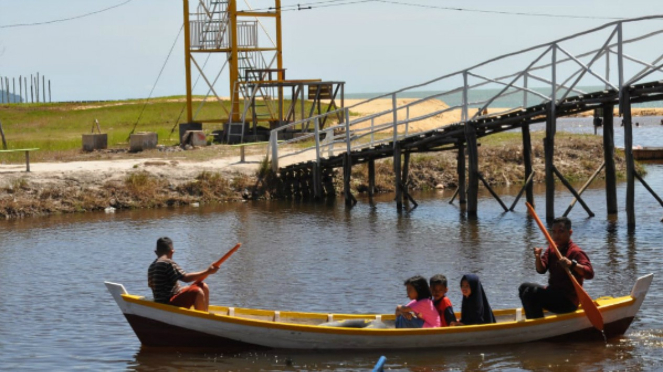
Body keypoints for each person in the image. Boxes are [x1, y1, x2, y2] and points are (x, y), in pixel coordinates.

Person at [518, 216, 594, 319]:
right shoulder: (552, 249)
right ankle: (533, 319)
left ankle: (537, 324)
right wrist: (537, 258)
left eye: (561, 231)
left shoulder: (575, 252)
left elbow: (589, 273)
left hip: (567, 302)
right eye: (554, 232)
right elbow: (541, 270)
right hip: (553, 294)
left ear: (570, 233)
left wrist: (572, 264)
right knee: (524, 287)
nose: (556, 235)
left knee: (532, 293)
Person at [147, 236, 219, 312]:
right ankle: (203, 320)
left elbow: (158, 288)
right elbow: (186, 278)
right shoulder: (168, 263)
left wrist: (186, 289)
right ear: (172, 252)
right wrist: (207, 271)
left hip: (161, 301)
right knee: (197, 291)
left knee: (203, 286)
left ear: (156, 252)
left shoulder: (151, 266)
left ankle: (205, 313)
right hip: (167, 304)